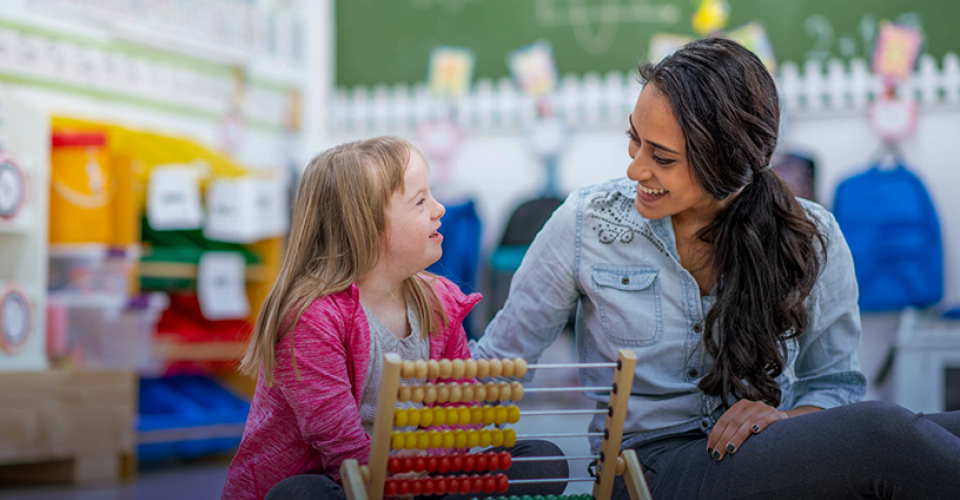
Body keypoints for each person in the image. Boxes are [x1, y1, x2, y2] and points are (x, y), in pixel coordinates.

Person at [471, 38, 960, 499]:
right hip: (643, 469)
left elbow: (835, 384)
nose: (635, 169)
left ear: (726, 166)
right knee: (885, 437)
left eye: (661, 157)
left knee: (942, 428)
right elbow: (499, 362)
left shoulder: (813, 235)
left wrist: (787, 421)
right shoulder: (586, 225)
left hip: (754, 454)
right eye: (633, 140)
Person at [222, 137, 567, 500]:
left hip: (415, 478)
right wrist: (395, 479)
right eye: (420, 202)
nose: (439, 209)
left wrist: (418, 466)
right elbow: (340, 447)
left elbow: (459, 410)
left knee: (544, 461)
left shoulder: (441, 302)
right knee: (301, 493)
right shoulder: (312, 318)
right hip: (341, 481)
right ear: (365, 227)